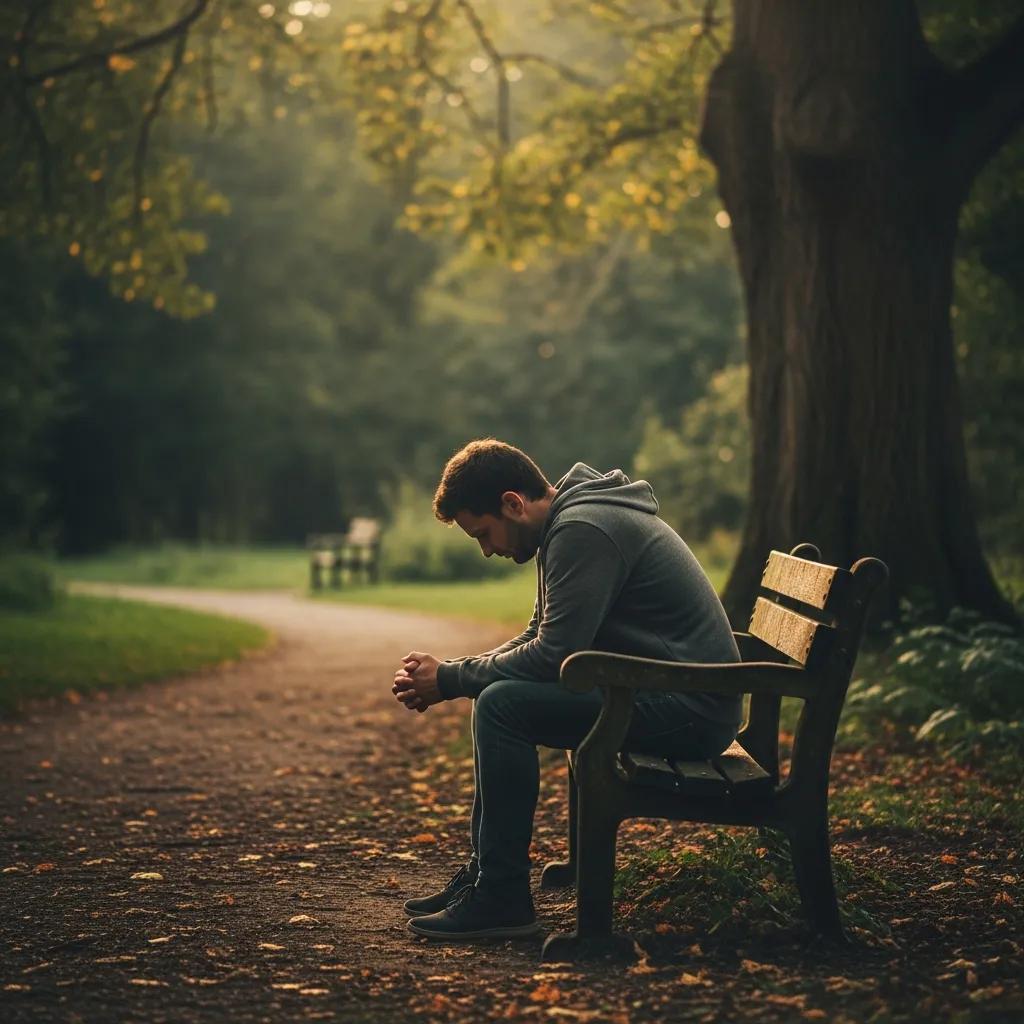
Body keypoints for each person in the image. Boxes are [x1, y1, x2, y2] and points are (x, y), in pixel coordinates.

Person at [392, 439, 741, 941]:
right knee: (498, 700)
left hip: (692, 708)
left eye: (484, 534)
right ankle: (489, 877)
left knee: (501, 707)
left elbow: (554, 658)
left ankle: (502, 895)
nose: (488, 549)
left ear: (513, 503)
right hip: (667, 694)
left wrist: (450, 679)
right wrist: (455, 672)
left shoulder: (582, 529)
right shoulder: (567, 523)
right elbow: (541, 636)